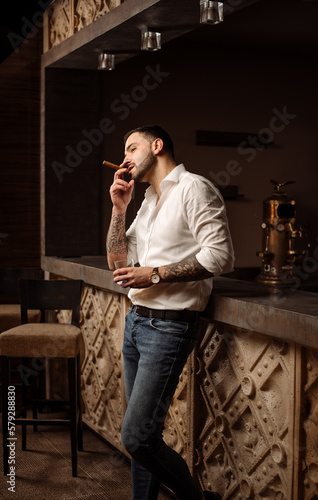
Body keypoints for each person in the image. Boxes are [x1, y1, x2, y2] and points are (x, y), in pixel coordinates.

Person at [106, 125, 234, 500]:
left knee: (137, 436)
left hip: (169, 327)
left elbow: (221, 256)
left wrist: (156, 274)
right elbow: (118, 262)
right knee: (143, 436)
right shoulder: (147, 198)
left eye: (132, 148)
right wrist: (119, 207)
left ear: (157, 146)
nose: (125, 157)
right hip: (136, 323)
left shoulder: (195, 188)